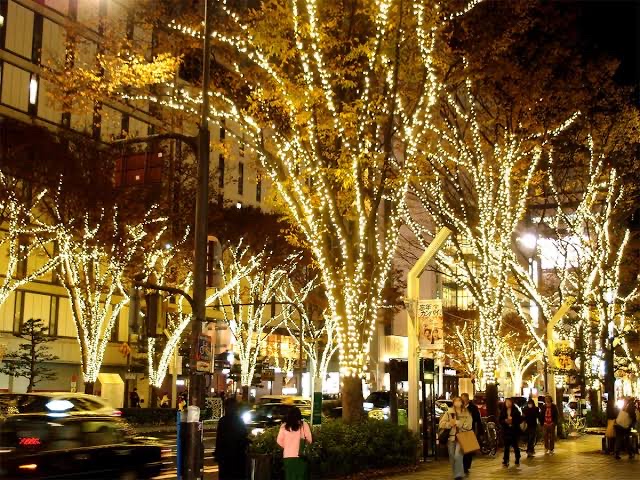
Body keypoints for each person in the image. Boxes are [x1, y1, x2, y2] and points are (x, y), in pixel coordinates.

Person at [438, 396, 472, 480]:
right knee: (452, 457)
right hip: (451, 438)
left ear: (462, 403)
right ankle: (456, 473)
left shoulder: (466, 412)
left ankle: (459, 475)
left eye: (459, 401)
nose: (457, 403)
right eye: (455, 401)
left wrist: (458, 423)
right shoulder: (449, 412)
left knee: (458, 456)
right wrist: (449, 424)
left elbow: (469, 425)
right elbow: (441, 424)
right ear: (453, 403)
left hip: (462, 437)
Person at [215, 398, 248, 480]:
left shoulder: (223, 421)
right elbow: (244, 436)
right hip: (237, 456)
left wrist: (218, 454)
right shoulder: (239, 421)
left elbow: (219, 439)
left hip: (225, 457)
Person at [277, 406, 313, 480]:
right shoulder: (304, 425)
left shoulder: (284, 426)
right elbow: (309, 439)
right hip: (301, 457)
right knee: (301, 477)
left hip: (288, 456)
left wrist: (287, 447)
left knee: (290, 477)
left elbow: (279, 441)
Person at [461, 393, 483, 474]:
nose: (463, 401)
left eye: (464, 399)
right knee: (462, 450)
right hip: (461, 431)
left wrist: (479, 432)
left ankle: (466, 466)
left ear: (467, 400)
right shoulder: (460, 407)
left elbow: (478, 420)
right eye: (462, 399)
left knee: (468, 450)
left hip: (470, 430)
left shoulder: (473, 408)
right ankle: (462, 466)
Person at [499, 397, 522, 467]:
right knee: (506, 446)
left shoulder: (515, 410)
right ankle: (506, 460)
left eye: (509, 402)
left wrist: (513, 421)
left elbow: (519, 419)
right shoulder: (503, 411)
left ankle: (517, 457)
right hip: (506, 430)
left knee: (515, 445)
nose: (508, 403)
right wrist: (505, 421)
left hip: (514, 430)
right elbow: (500, 420)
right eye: (506, 402)